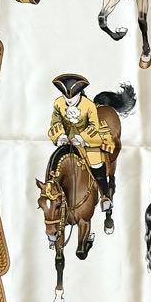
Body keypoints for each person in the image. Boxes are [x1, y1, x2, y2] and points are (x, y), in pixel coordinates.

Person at [47, 73, 114, 209]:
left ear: (79, 94)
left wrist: (82, 138)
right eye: (65, 96)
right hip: (67, 140)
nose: (68, 100)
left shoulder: (89, 105)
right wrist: (60, 136)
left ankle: (105, 195)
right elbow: (55, 122)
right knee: (55, 159)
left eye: (72, 97)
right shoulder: (58, 103)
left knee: (96, 162)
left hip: (86, 141)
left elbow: (93, 126)